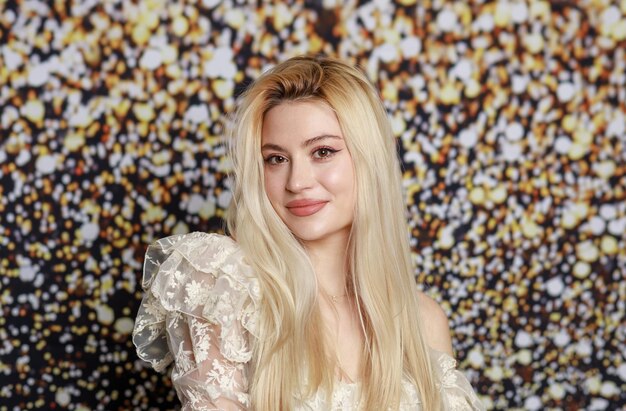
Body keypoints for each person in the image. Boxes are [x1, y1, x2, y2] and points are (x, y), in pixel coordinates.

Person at [133, 55, 484, 410]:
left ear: (369, 160)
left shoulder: (421, 320)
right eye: (276, 159)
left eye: (323, 151)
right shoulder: (223, 284)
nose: (297, 182)